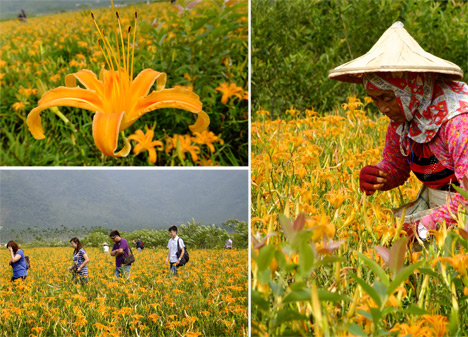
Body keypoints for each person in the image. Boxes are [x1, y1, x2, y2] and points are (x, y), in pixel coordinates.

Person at [329, 22, 467, 240]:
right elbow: (396, 167)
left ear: (412, 88)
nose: (382, 109)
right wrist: (379, 176)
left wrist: (423, 228)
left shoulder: (458, 122)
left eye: (387, 98)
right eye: (375, 100)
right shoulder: (404, 118)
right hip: (439, 210)